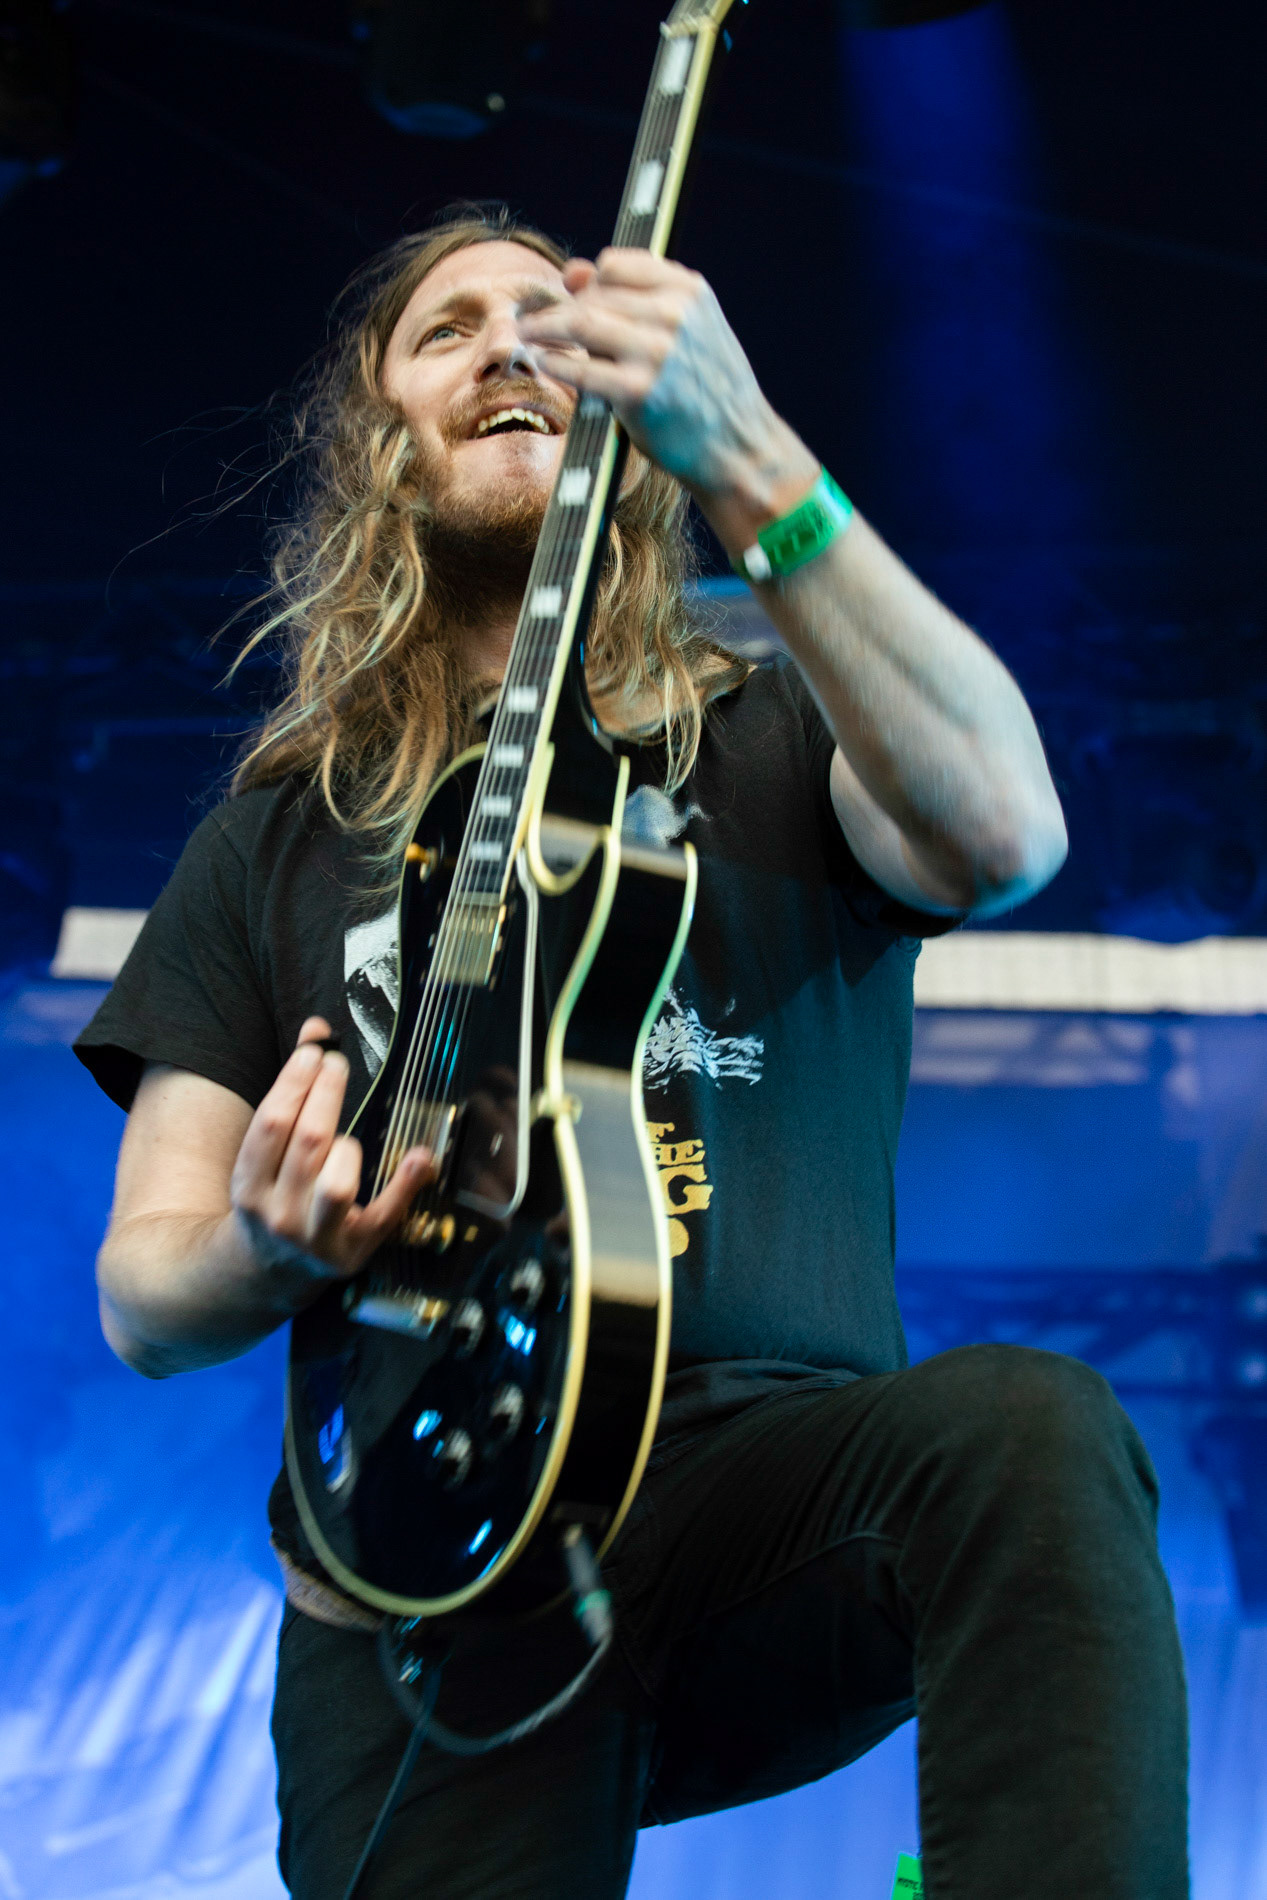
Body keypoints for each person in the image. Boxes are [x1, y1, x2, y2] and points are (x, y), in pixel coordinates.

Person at [76, 208, 1188, 1900]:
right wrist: (258, 1245)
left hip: (764, 1494)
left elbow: (1006, 832)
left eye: (548, 316)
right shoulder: (274, 843)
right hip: (422, 1570)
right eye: (446, 328)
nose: (508, 342)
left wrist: (744, 444)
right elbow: (143, 1295)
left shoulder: (773, 721)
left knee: (1030, 1436)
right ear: (378, 432)